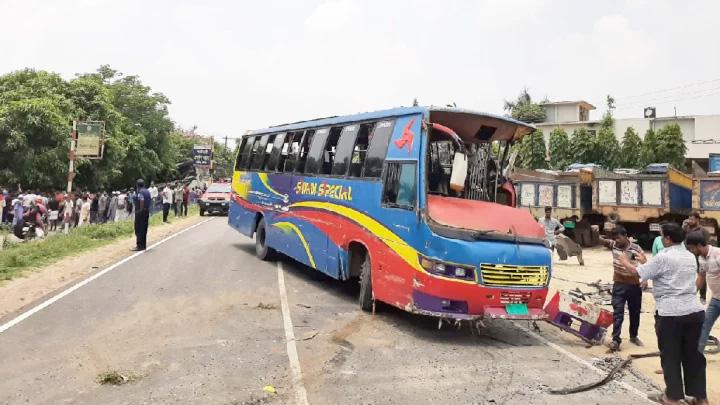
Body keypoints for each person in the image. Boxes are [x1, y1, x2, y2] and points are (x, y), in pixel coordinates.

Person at [618, 222, 707, 405]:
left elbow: (637, 273)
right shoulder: (689, 256)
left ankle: (672, 397)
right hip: (694, 311)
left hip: (671, 313)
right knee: (693, 356)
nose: (660, 238)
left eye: (661, 235)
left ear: (667, 238)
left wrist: (625, 261)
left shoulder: (663, 256)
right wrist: (646, 262)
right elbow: (664, 271)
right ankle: (699, 397)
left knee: (671, 356)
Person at [600, 225, 646, 351]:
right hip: (619, 284)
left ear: (625, 236)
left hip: (634, 285)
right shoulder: (613, 245)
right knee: (618, 312)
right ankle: (616, 340)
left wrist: (645, 279)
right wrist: (594, 233)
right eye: (614, 239)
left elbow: (645, 263)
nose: (616, 241)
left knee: (635, 312)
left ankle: (633, 336)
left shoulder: (636, 248)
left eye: (618, 238)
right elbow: (601, 241)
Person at [685, 231, 720, 353]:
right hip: (716, 299)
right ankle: (697, 358)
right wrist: (691, 294)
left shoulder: (717, 254)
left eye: (691, 248)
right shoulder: (701, 258)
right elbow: (701, 277)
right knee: (704, 326)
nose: (691, 251)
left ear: (699, 245)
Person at [684, 211, 709, 303]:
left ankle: (703, 296)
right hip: (688, 255)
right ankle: (688, 294)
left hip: (699, 256)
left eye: (692, 219)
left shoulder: (703, 230)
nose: (690, 221)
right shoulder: (687, 229)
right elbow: (681, 239)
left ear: (697, 219)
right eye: (689, 219)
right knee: (687, 274)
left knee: (701, 275)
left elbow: (706, 244)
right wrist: (683, 227)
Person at [133, 179, 151, 251]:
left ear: (137, 185)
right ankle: (143, 245)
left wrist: (140, 210)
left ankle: (139, 246)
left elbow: (141, 200)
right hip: (146, 211)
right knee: (144, 228)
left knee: (138, 228)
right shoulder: (147, 191)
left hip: (141, 211)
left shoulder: (140, 192)